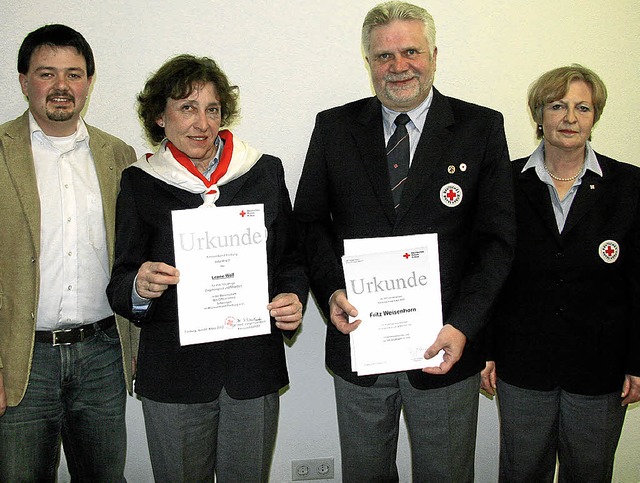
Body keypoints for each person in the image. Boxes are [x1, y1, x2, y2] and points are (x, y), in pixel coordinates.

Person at [293, 2, 515, 481]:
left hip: (445, 350)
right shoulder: (334, 128)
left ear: (434, 54)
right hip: (361, 346)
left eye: (410, 51)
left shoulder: (481, 129)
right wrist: (332, 291)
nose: (398, 67)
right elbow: (309, 224)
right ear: (368, 62)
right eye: (383, 56)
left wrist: (463, 326)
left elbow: (496, 243)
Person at [106, 54, 307, 482]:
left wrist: (292, 299)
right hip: (174, 374)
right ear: (160, 116)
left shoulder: (262, 171)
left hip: (251, 370)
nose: (202, 122)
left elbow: (290, 259)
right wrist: (139, 286)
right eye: (187, 108)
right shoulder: (140, 182)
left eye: (211, 109)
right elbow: (120, 280)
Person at [481, 65, 640, 482]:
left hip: (601, 369)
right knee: (521, 472)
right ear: (539, 115)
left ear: (595, 116)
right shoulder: (505, 183)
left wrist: (639, 360)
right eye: (558, 106)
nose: (570, 118)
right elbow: (487, 272)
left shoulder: (629, 185)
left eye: (582, 107)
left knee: (589, 473)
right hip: (522, 366)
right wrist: (486, 349)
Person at [0, 24, 137, 481]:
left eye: (74, 74)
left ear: (89, 83)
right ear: (23, 81)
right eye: (47, 73)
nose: (62, 86)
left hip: (102, 355)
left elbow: (132, 257)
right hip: (22, 360)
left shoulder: (118, 155)